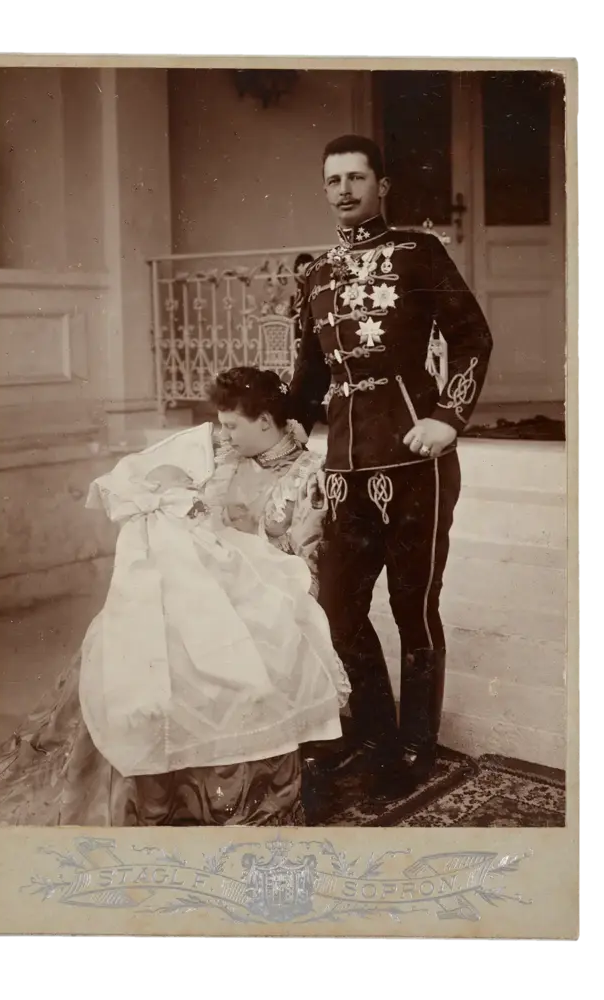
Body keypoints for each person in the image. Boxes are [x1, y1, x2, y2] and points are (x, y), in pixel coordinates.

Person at [0, 368, 350, 828]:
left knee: (210, 657)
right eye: (220, 425)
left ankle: (205, 795)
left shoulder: (308, 475)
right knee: (129, 639)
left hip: (267, 588)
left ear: (265, 420)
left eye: (232, 425)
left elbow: (309, 563)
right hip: (203, 583)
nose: (223, 435)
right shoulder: (216, 460)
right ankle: (133, 789)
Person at [287, 134, 493, 799]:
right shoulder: (315, 275)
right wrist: (276, 425)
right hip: (344, 469)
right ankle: (376, 733)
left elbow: (471, 338)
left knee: (413, 606)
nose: (343, 190)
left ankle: (416, 747)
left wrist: (449, 417)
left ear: (382, 185)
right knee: (338, 610)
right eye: (332, 180)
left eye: (355, 177)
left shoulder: (417, 253)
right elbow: (308, 380)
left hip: (416, 462)